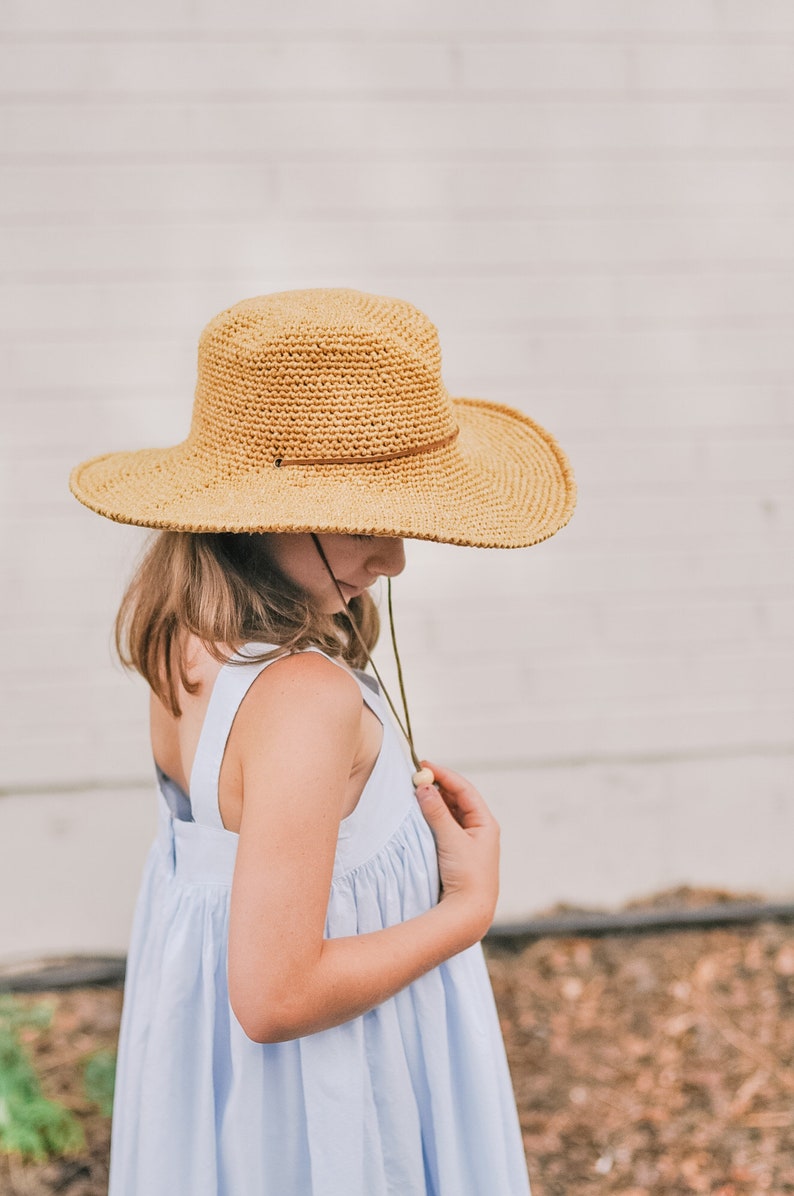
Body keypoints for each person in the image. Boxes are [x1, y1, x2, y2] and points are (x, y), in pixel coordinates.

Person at [70, 288, 576, 1196]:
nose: (398, 558)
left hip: (230, 1099)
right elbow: (277, 996)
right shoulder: (304, 696)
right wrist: (467, 906)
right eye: (362, 526)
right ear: (262, 511)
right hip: (329, 1100)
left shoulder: (185, 640)